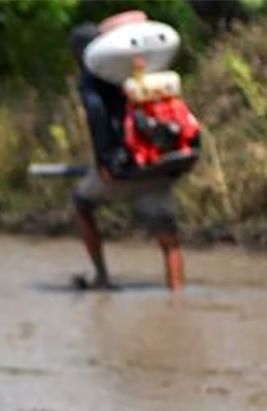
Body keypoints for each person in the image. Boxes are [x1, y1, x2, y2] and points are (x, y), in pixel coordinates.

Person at [69, 22, 186, 292]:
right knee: (169, 237)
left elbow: (97, 115)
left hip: (123, 164)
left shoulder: (91, 79)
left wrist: (105, 160)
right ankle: (177, 296)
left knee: (82, 204)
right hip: (160, 160)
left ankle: (101, 276)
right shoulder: (137, 69)